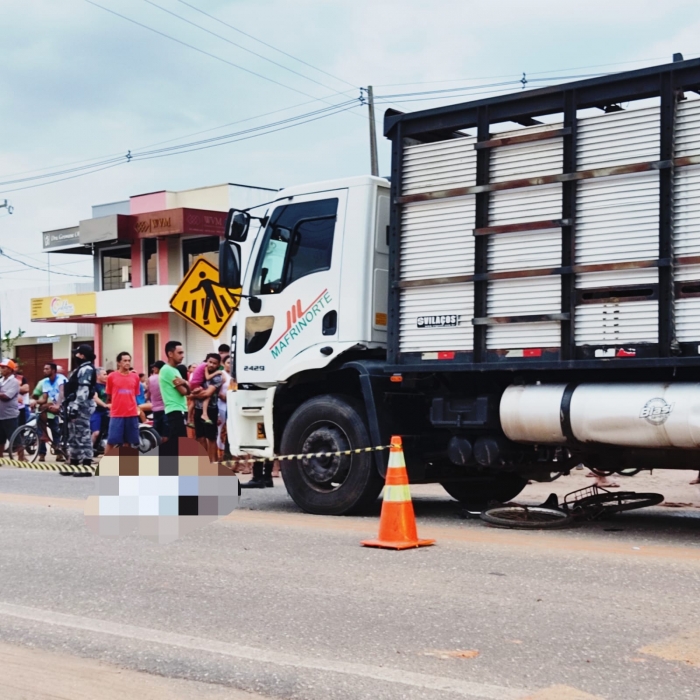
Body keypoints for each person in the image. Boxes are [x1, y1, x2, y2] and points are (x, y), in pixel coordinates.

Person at [63, 345, 97, 475]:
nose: (75, 356)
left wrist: (76, 406)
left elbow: (83, 390)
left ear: (82, 355)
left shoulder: (86, 369)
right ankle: (75, 464)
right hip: (75, 405)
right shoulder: (81, 369)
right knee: (74, 435)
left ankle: (86, 465)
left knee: (83, 436)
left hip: (81, 406)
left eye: (77, 354)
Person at [104, 352, 141, 454]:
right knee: (111, 441)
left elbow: (136, 394)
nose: (127, 363)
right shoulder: (111, 376)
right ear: (119, 363)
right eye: (125, 361)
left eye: (129, 360)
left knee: (128, 442)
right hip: (117, 414)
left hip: (132, 413)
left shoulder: (135, 377)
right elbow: (109, 394)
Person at [191, 353, 222, 462]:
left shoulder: (218, 378)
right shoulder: (201, 373)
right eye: (210, 362)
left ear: (218, 365)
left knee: (211, 437)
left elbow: (207, 394)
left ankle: (213, 461)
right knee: (200, 437)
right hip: (198, 409)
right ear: (206, 362)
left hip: (211, 410)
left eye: (214, 363)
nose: (211, 365)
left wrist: (192, 395)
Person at [159, 340, 190, 449]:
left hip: (178, 409)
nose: (183, 356)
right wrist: (186, 384)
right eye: (180, 353)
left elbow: (187, 391)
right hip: (175, 409)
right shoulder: (168, 370)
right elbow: (184, 392)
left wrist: (185, 383)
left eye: (183, 353)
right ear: (170, 354)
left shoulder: (174, 370)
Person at [37, 362, 67, 463]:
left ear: (53, 370)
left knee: (56, 430)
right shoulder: (45, 382)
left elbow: (62, 392)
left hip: (66, 404)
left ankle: (59, 453)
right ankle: (42, 449)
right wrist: (34, 402)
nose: (44, 371)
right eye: (44, 369)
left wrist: (58, 405)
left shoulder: (60, 378)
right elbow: (44, 398)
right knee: (42, 408)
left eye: (47, 369)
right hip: (54, 405)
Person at [0, 359, 20, 459]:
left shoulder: (14, 382)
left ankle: (22, 458)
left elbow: (7, 396)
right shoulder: (1, 381)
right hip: (0, 415)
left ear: (10, 369)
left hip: (9, 415)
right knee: (0, 439)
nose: (1, 369)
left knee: (15, 438)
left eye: (4, 368)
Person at [91, 367, 110, 456]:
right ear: (98, 376)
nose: (107, 376)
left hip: (106, 412)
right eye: (104, 374)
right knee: (96, 433)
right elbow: (95, 398)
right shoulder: (94, 386)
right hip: (96, 411)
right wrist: (105, 405)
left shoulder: (108, 385)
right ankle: (88, 453)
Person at [147, 361, 166, 437]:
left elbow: (148, 394)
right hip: (165, 408)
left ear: (158, 369)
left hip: (155, 408)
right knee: (165, 432)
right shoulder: (165, 378)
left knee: (157, 432)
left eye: (155, 367)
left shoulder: (150, 379)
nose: (153, 368)